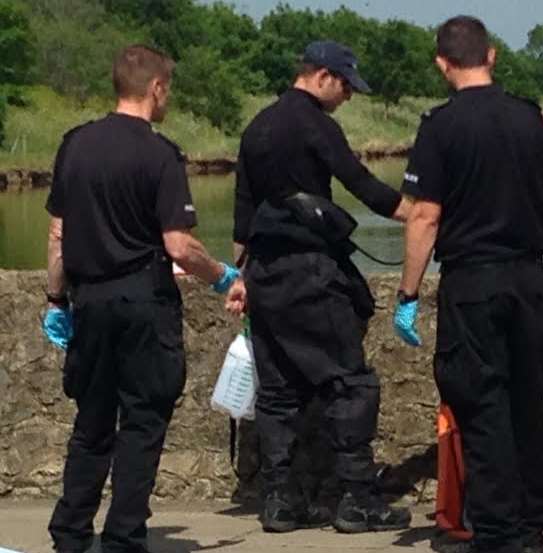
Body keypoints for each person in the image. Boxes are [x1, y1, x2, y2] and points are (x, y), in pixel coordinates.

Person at [392, 16, 543, 553]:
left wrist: (407, 295)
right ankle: (529, 528)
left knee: (481, 408)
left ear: (442, 63)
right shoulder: (528, 120)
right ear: (492, 56)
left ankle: (497, 535)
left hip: (471, 283)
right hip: (528, 280)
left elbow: (425, 216)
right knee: (526, 401)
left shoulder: (439, 127)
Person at [42, 44, 240, 553]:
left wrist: (54, 300)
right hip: (144, 302)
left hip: (90, 303)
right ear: (156, 88)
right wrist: (221, 275)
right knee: (142, 424)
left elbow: (58, 235)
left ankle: (69, 534)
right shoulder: (161, 154)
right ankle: (124, 538)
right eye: (167, 89)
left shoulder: (74, 145)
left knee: (91, 422)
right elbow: (178, 246)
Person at [225, 40, 412, 534]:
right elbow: (363, 185)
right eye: (347, 84)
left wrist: (240, 278)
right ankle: (356, 499)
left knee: (280, 391)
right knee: (350, 383)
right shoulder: (315, 124)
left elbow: (243, 217)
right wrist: (421, 216)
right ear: (323, 75)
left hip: (264, 274)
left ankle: (280, 501)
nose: (348, 94)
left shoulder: (256, 127)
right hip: (311, 272)